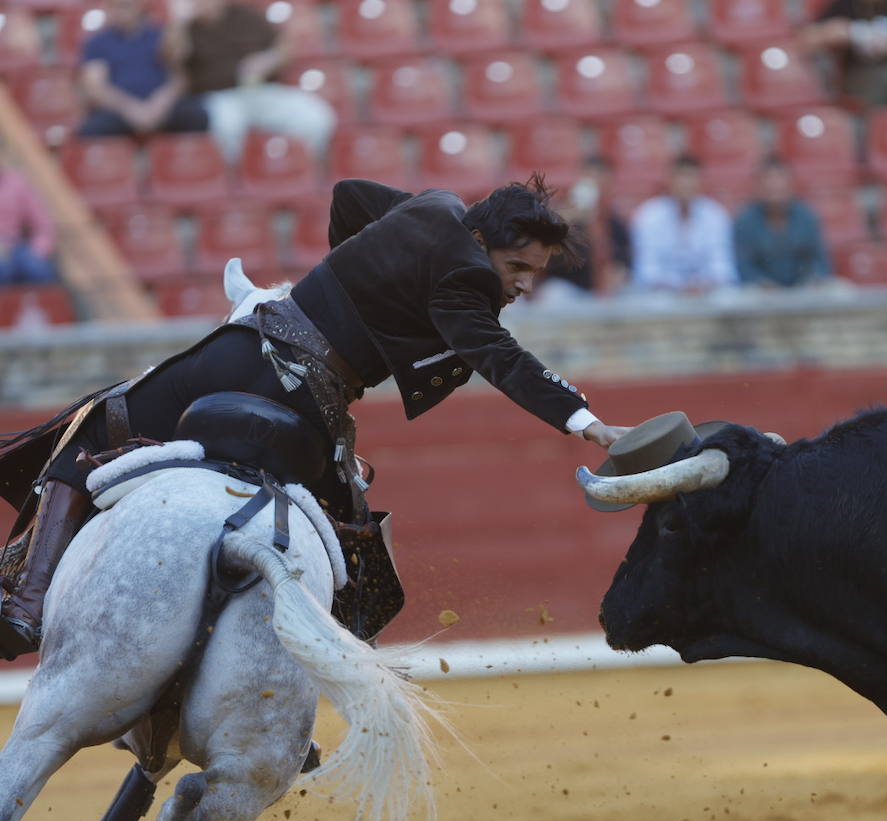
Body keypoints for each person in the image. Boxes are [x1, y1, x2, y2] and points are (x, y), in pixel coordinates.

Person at [0, 175, 630, 660]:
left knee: (95, 430)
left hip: (244, 352)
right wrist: (588, 423)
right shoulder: (469, 276)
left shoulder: (433, 206)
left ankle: (27, 604)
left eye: (533, 273)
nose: (521, 285)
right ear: (481, 240)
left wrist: (342, 288)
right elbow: (501, 357)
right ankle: (332, 669)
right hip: (306, 404)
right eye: (516, 267)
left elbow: (348, 196)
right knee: (355, 554)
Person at [162, 0, 334, 163]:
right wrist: (178, 21)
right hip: (219, 97)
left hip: (261, 90)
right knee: (227, 125)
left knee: (315, 117)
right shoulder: (185, 27)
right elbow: (172, 57)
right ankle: (236, 182)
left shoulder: (246, 16)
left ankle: (297, 170)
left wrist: (268, 59)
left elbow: (284, 46)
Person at [78, 0, 208, 138]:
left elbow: (178, 78)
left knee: (197, 116)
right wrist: (132, 110)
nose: (121, 10)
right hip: (120, 111)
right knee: (91, 130)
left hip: (160, 108)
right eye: (115, 5)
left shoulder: (163, 35)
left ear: (140, 5)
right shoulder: (97, 42)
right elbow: (96, 87)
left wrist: (158, 105)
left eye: (125, 5)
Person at [629, 156, 737, 294]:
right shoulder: (648, 217)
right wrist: (677, 288)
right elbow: (646, 271)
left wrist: (704, 285)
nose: (686, 184)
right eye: (681, 177)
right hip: (662, 296)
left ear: (701, 181)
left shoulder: (715, 216)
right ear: (669, 181)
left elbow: (723, 267)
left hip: (707, 294)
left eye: (691, 177)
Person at [801, 0, 887, 107]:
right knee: (886, 79)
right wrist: (836, 32)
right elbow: (807, 39)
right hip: (859, 71)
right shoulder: (845, 4)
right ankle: (873, 130)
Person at [538, 157, 631, 302]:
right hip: (567, 289)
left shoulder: (615, 225)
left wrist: (618, 274)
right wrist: (568, 220)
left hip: (603, 292)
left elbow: (624, 265)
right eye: (590, 181)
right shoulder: (561, 219)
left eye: (601, 182)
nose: (595, 188)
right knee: (552, 294)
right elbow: (543, 259)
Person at [732, 159, 832, 288]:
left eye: (779, 179)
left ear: (790, 185)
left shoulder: (807, 217)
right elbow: (743, 266)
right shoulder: (744, 221)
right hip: (760, 292)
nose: (775, 186)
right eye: (769, 180)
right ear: (758, 186)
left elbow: (820, 261)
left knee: (839, 290)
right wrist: (762, 284)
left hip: (804, 288)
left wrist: (812, 281)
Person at [0, 143, 58, 286]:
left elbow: (44, 225)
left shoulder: (17, 182)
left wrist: (37, 251)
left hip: (16, 247)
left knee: (39, 270)